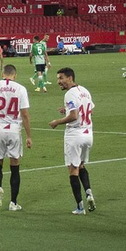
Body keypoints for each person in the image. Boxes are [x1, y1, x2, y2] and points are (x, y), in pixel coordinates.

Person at [0, 64, 31, 211]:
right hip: (14, 131)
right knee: (15, 167)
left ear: (2, 74)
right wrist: (29, 136)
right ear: (14, 75)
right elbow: (25, 115)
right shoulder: (21, 88)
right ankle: (13, 203)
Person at [49, 67, 96, 214]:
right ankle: (88, 193)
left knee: (73, 169)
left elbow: (74, 116)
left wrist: (58, 121)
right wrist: (67, 110)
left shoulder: (70, 94)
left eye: (61, 78)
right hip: (88, 134)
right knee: (81, 165)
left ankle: (80, 207)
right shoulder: (85, 90)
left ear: (70, 78)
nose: (59, 82)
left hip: (75, 135)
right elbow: (90, 110)